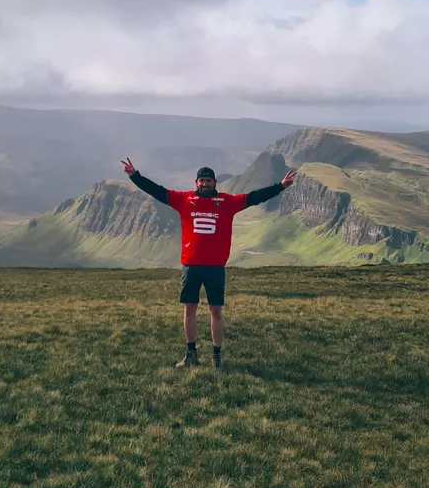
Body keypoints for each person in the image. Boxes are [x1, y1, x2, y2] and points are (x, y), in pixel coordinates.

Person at [120, 158, 298, 369]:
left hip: (215, 267)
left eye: (209, 181)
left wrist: (280, 187)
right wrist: (134, 175)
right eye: (202, 180)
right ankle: (191, 354)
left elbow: (255, 197)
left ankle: (216, 356)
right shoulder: (183, 199)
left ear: (215, 183)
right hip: (190, 265)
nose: (205, 184)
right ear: (196, 182)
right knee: (189, 309)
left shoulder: (228, 202)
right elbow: (157, 191)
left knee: (216, 311)